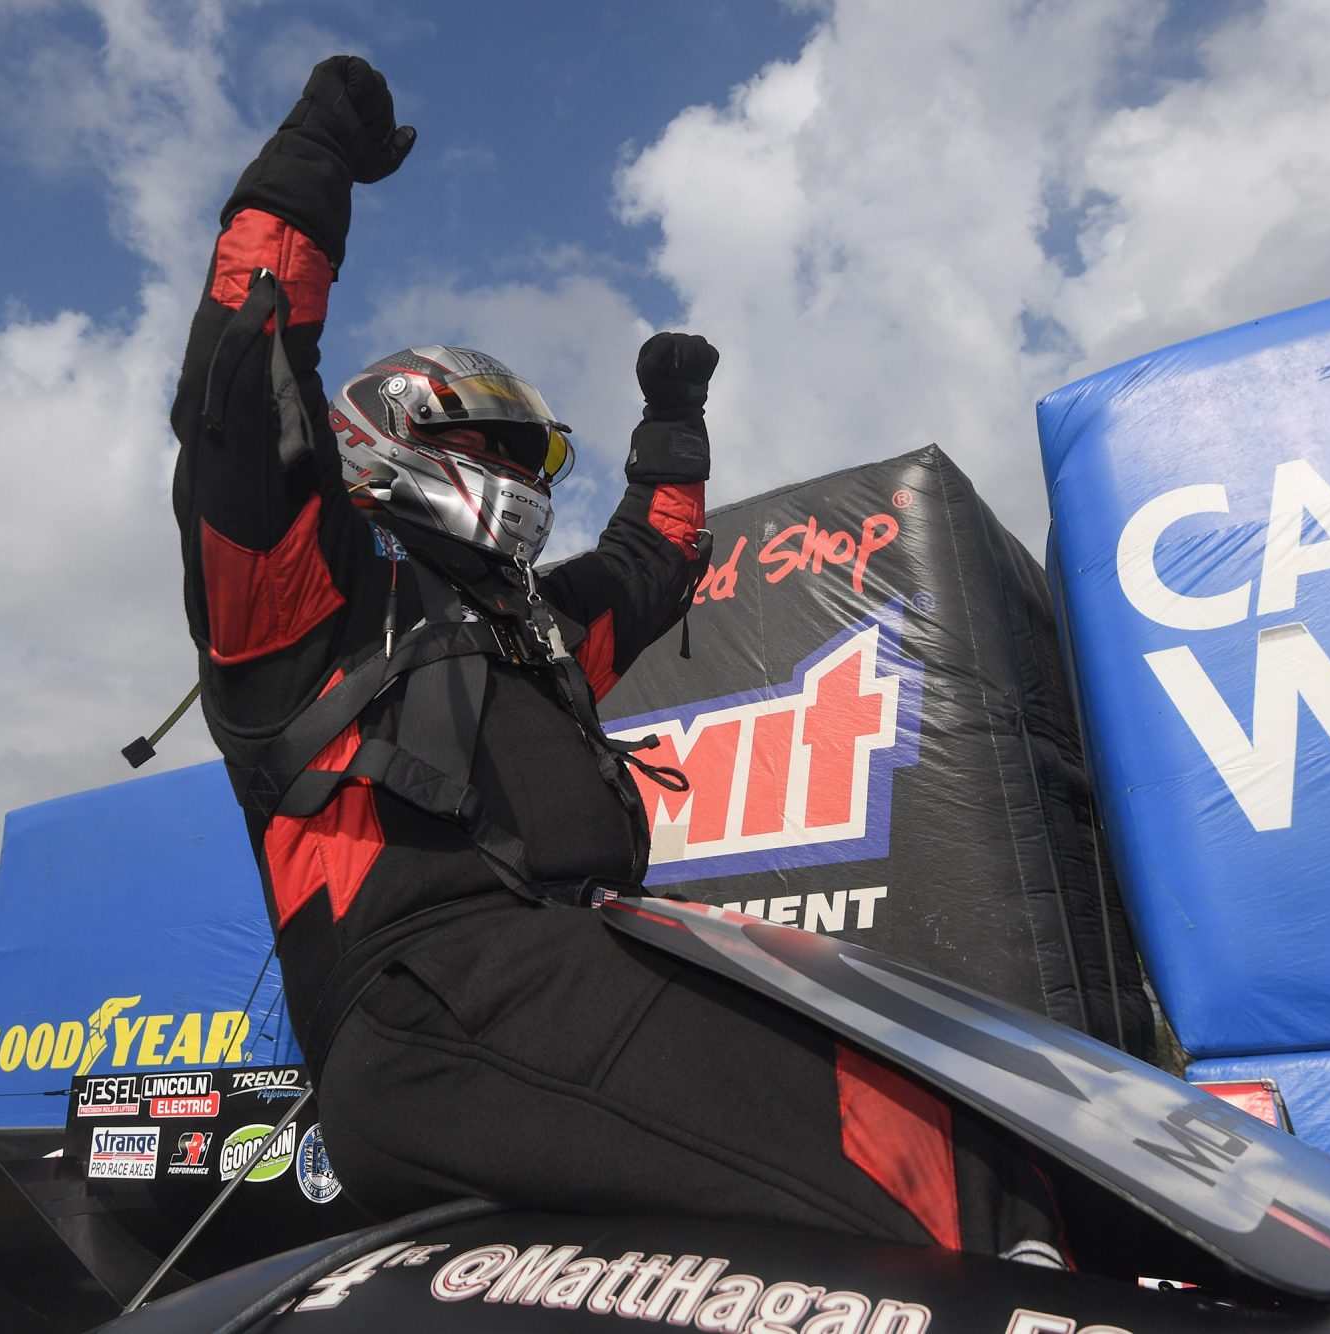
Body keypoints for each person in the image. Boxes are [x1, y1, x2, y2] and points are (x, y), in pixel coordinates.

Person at [171, 54, 1064, 1262]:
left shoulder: (529, 626)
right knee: (903, 1145)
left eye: (528, 457)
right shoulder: (305, 594)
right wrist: (309, 163)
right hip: (430, 998)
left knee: (905, 1047)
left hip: (576, 960)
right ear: (391, 448)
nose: (517, 477)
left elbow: (654, 560)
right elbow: (244, 373)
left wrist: (671, 425)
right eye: (483, 445)